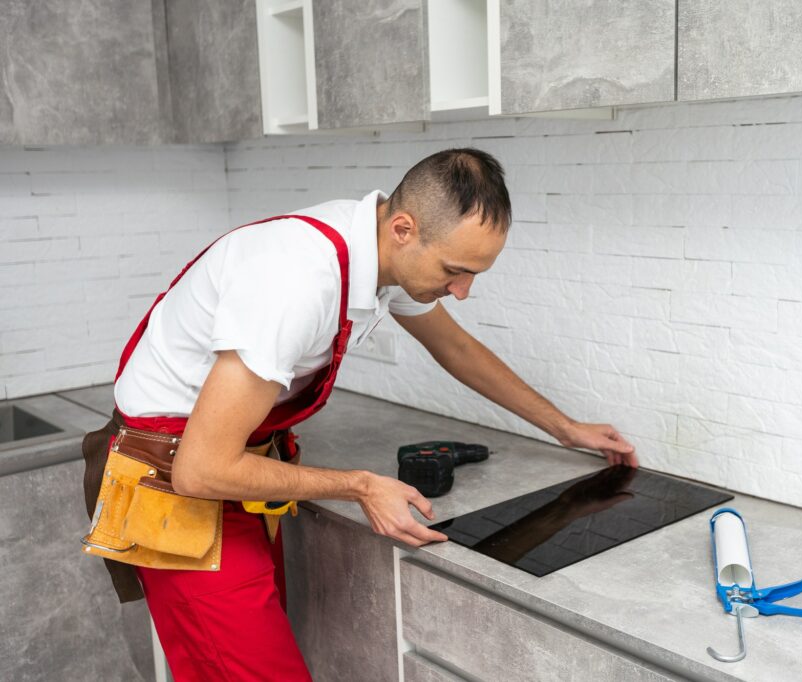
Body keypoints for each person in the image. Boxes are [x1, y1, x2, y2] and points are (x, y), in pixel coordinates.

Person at [81, 148, 637, 680]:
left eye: (474, 275)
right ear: (403, 228)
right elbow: (200, 470)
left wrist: (564, 426)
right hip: (174, 491)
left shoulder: (372, 248)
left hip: (233, 479)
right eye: (455, 270)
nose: (462, 291)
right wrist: (362, 486)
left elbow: (457, 348)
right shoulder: (295, 281)